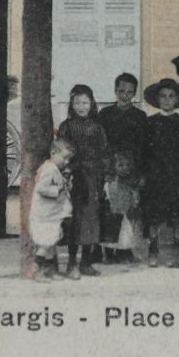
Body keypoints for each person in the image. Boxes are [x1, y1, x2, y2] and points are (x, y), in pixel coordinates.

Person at [55, 84, 108, 277]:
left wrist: (104, 178)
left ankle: (86, 262)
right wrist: (66, 171)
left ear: (92, 104)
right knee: (74, 221)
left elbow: (104, 153)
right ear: (71, 104)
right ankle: (71, 263)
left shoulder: (97, 127)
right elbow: (60, 152)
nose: (81, 106)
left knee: (91, 220)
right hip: (74, 178)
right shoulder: (66, 126)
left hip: (93, 178)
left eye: (85, 102)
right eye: (77, 102)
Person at [140, 78, 179, 268]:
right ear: (157, 99)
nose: (167, 100)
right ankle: (153, 251)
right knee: (154, 216)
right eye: (163, 96)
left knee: (176, 216)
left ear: (177, 99)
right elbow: (144, 151)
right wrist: (145, 175)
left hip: (176, 176)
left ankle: (176, 252)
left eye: (171, 96)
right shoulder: (150, 122)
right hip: (156, 176)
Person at [29, 137, 76, 281]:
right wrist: (59, 188)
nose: (67, 162)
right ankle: (37, 271)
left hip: (53, 215)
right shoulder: (48, 169)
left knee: (51, 244)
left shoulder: (54, 168)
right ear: (53, 152)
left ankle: (49, 271)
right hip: (45, 216)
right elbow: (41, 188)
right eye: (65, 158)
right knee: (45, 244)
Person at [97, 71, 148, 168]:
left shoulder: (140, 116)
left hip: (132, 165)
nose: (125, 95)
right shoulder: (105, 113)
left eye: (130, 92)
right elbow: (100, 142)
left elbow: (142, 146)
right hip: (109, 165)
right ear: (115, 91)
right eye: (122, 91)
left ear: (134, 93)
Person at [101, 151, 142, 265]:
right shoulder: (111, 183)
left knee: (125, 234)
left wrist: (134, 201)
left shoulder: (130, 184)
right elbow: (109, 197)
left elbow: (134, 198)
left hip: (125, 213)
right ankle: (109, 255)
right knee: (111, 235)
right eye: (120, 165)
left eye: (128, 165)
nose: (125, 168)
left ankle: (123, 254)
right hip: (114, 214)